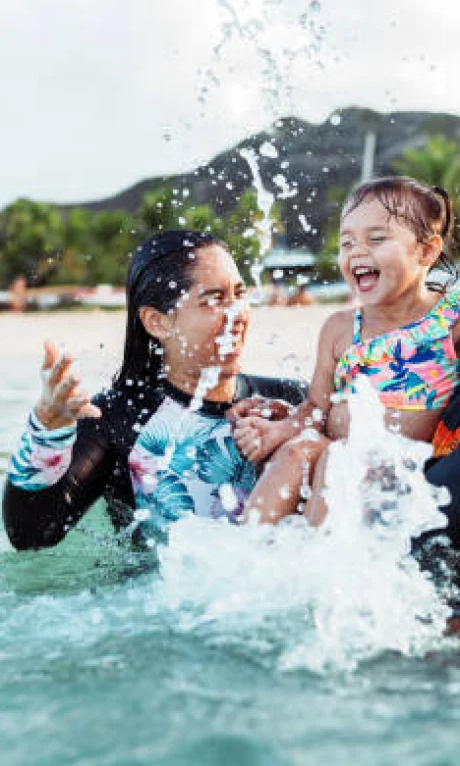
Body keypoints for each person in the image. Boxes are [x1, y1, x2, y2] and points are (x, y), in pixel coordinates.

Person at [3, 230, 307, 550]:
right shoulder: (118, 418)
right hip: (152, 595)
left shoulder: (292, 401)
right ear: (157, 322)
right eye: (214, 299)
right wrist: (47, 433)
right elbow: (31, 535)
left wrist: (299, 426)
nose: (238, 313)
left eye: (239, 294)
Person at [231, 177, 460, 528]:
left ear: (426, 251)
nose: (357, 251)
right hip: (336, 450)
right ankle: (246, 553)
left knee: (338, 460)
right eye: (347, 242)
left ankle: (316, 566)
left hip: (406, 471)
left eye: (377, 239)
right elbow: (316, 408)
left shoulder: (448, 319)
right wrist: (281, 430)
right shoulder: (340, 330)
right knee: (298, 450)